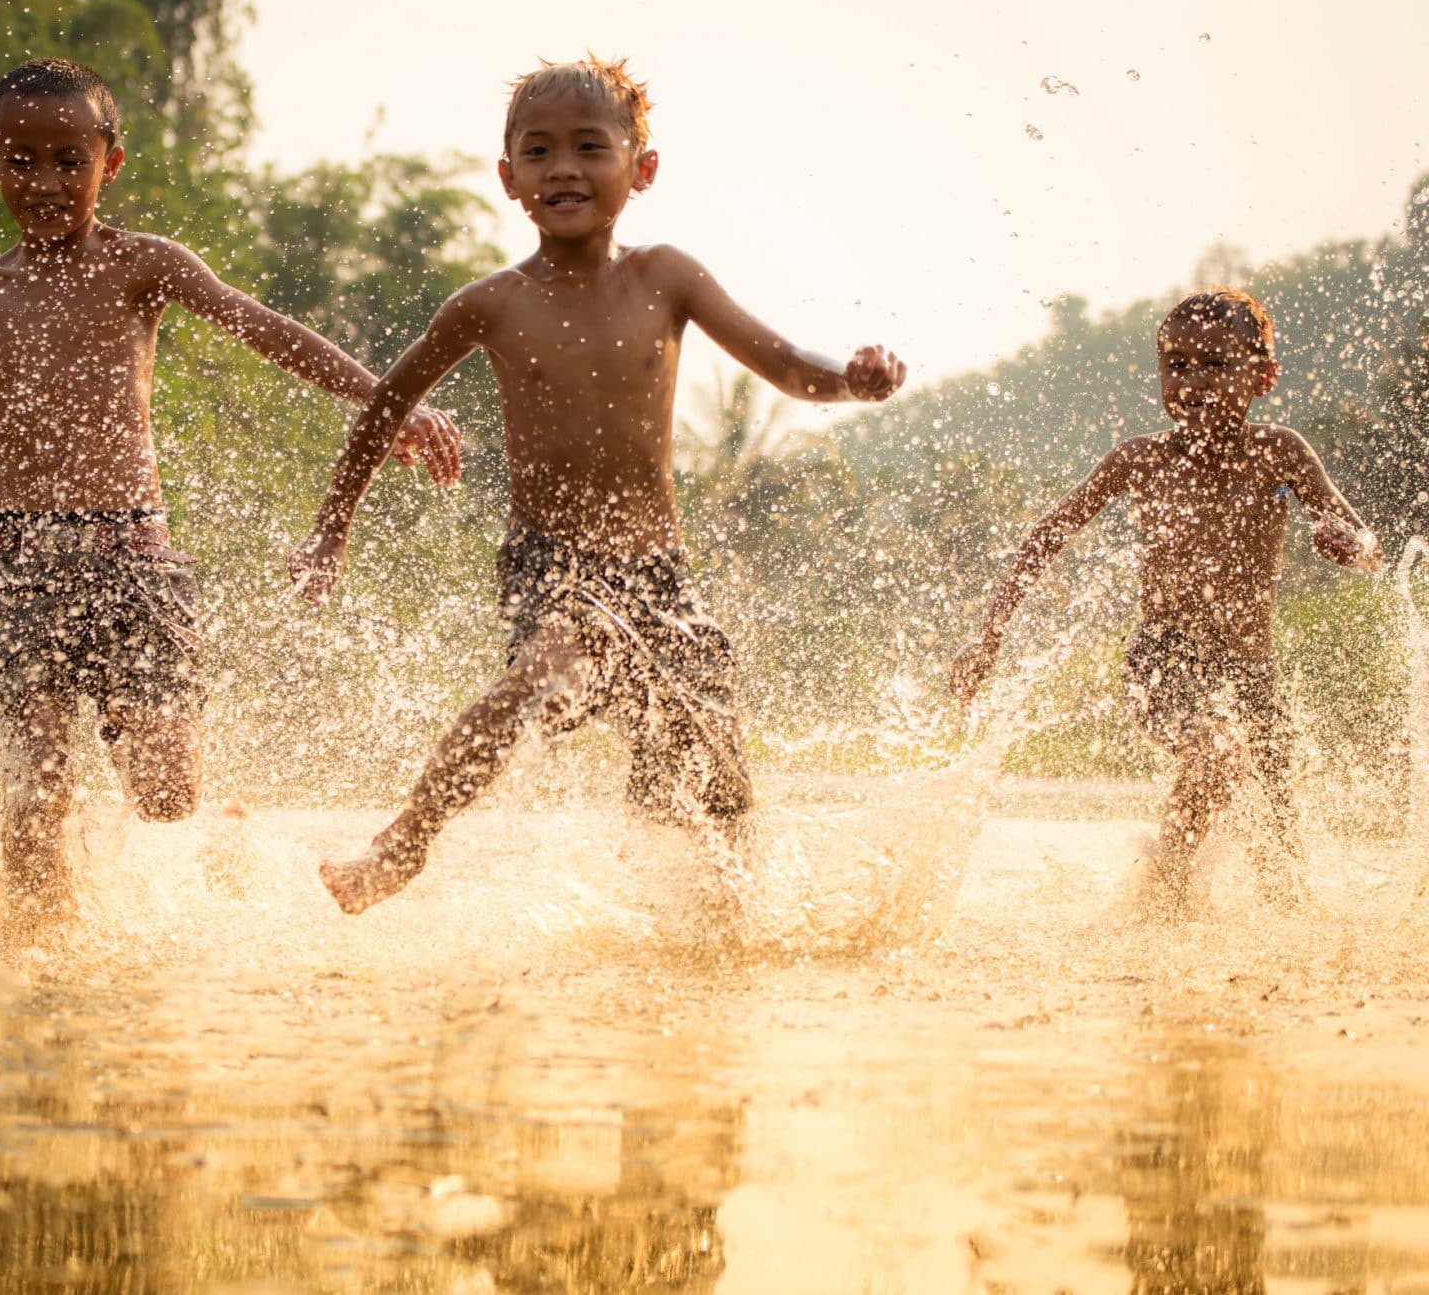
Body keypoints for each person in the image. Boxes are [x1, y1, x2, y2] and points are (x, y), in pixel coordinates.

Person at [0, 58, 460, 913]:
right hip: (18, 563)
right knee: (36, 791)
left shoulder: (145, 266)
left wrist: (387, 405)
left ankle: (220, 826)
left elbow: (263, 327)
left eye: (71, 160)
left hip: (132, 559)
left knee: (166, 796)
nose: (47, 182)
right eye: (22, 161)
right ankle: (37, 976)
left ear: (112, 161)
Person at [287, 56, 905, 914]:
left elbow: (788, 365)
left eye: (590, 147)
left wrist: (850, 380)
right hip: (553, 564)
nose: (564, 168)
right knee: (548, 669)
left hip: (660, 572)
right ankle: (405, 841)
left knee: (714, 787)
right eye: (538, 152)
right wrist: (331, 526)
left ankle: (719, 930)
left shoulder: (667, 278)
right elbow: (388, 401)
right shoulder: (490, 304)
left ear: (641, 169)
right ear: (510, 179)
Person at [951, 288, 1382, 916]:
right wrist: (987, 639)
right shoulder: (1142, 460)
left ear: (1263, 375)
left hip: (1253, 674)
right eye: (1176, 365)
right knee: (1214, 750)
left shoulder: (1279, 453)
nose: (1192, 381)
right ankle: (1166, 892)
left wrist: (1351, 544)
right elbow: (1046, 534)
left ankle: (1254, 946)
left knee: (1280, 854)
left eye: (1214, 364)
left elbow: (1366, 538)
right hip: (1162, 660)